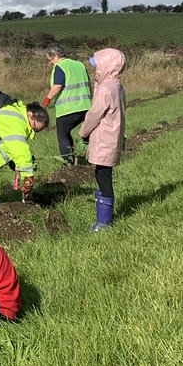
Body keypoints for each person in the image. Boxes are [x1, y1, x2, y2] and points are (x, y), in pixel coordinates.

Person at [79, 48, 127, 230]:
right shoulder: (116, 85)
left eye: (97, 65)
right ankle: (104, 219)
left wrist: (83, 133)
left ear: (106, 65)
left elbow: (94, 114)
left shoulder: (106, 88)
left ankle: (103, 223)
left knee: (102, 175)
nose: (95, 69)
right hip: (112, 135)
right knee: (103, 173)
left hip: (104, 137)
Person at [43, 43, 93, 166]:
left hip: (68, 108)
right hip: (86, 106)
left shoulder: (60, 67)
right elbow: (88, 83)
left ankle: (68, 162)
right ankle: (85, 155)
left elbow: (58, 86)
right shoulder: (79, 64)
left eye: (50, 59)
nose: (50, 63)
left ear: (55, 56)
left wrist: (46, 101)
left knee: (62, 134)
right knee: (70, 132)